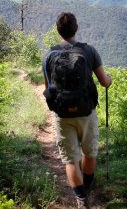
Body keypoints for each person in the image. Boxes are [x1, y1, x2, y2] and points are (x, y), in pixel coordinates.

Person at [43, 12, 112, 208]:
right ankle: (87, 189)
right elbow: (104, 82)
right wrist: (110, 79)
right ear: (76, 28)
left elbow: (47, 88)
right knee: (89, 153)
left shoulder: (48, 56)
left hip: (63, 115)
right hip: (86, 112)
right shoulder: (89, 51)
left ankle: (80, 199)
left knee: (71, 160)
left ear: (58, 30)